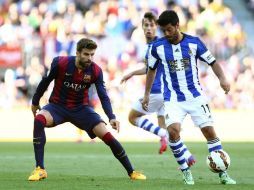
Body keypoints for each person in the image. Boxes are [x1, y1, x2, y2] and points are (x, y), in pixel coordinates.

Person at [28, 38, 146, 181]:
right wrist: (35, 102)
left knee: (106, 134)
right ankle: (40, 169)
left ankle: (132, 172)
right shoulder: (60, 63)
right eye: (86, 54)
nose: (89, 58)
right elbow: (45, 81)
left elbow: (103, 95)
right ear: (77, 53)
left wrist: (111, 116)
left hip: (81, 109)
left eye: (92, 54)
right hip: (57, 106)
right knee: (39, 119)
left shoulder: (96, 70)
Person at [142, 10, 236, 185]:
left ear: (177, 25)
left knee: (209, 132)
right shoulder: (157, 47)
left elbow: (212, 62)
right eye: (163, 31)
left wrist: (223, 78)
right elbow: (151, 70)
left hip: (195, 97)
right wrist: (146, 94)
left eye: (169, 29)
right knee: (173, 132)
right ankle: (185, 171)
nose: (166, 34)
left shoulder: (194, 43)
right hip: (172, 99)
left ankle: (223, 174)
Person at [120, 12, 168, 154]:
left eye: (151, 25)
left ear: (156, 27)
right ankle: (186, 158)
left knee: (132, 117)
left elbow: (151, 71)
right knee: (163, 125)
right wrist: (132, 73)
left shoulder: (155, 46)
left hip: (156, 91)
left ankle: (164, 135)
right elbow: (149, 68)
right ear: (142, 27)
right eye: (146, 25)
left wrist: (147, 94)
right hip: (165, 92)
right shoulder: (153, 45)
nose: (148, 28)